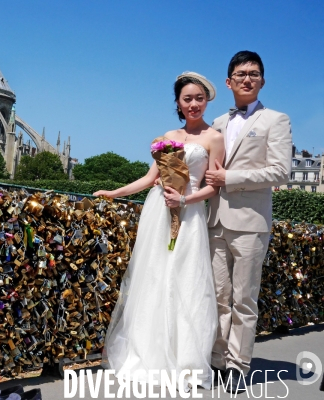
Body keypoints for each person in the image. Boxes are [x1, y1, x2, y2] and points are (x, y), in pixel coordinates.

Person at [94, 72, 225, 391]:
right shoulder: (168, 135)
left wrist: (185, 198)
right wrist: (115, 192)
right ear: (178, 104)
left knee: (185, 279)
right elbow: (150, 177)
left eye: (199, 98)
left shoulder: (214, 138)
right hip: (159, 212)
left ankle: (185, 360)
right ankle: (150, 353)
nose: (193, 104)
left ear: (206, 100)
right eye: (187, 99)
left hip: (189, 212)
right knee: (153, 277)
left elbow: (214, 187)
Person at [205, 51, 292, 393]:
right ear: (228, 82)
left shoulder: (276, 120)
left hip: (251, 223)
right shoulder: (218, 123)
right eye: (241, 73)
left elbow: (280, 171)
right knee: (217, 296)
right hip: (214, 220)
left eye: (254, 74)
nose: (247, 78)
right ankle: (216, 361)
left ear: (263, 81)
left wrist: (231, 177)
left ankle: (239, 367)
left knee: (244, 299)